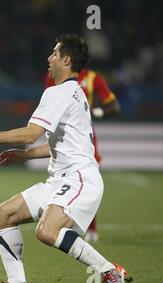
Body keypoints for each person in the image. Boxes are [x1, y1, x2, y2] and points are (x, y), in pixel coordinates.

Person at [0, 34, 127, 283]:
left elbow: (30, 133)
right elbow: (59, 145)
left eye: (54, 53)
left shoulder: (59, 92)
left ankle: (109, 271)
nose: (49, 59)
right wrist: (26, 156)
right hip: (61, 179)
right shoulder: (76, 93)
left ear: (67, 60)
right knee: (3, 214)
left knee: (47, 232)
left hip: (79, 178)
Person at [45, 66, 121, 242]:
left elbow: (114, 107)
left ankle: (90, 228)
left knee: (86, 183)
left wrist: (94, 112)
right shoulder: (54, 76)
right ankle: (59, 221)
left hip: (84, 141)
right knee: (60, 182)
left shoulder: (94, 78)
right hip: (63, 137)